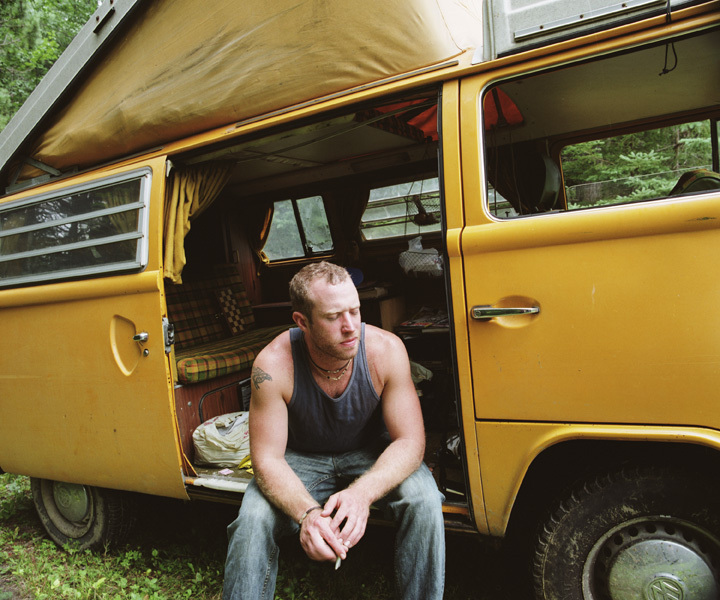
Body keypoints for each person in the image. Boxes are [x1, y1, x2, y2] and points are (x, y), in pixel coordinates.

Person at [223, 261, 445, 599]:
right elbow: (266, 458)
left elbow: (411, 441)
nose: (350, 327)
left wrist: (362, 494)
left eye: (355, 312)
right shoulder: (272, 365)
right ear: (302, 322)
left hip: (371, 451)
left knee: (424, 500)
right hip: (301, 457)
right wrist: (308, 514)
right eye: (333, 317)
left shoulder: (386, 350)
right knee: (252, 518)